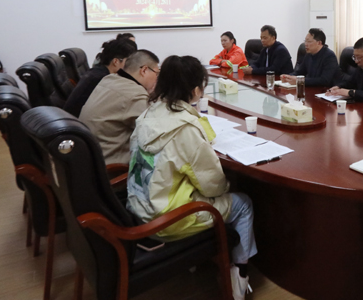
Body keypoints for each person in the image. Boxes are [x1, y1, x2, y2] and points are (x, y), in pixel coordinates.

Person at [127, 55, 257, 300]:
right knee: (243, 204)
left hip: (138, 207)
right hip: (168, 220)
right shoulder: (184, 127)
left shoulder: (149, 113)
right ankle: (239, 277)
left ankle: (199, 260)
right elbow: (213, 186)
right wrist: (229, 184)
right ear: (197, 90)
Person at [79, 50, 160, 166]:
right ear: (144, 70)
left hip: (89, 158)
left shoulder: (109, 79)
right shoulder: (134, 94)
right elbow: (156, 131)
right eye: (156, 73)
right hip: (111, 166)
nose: (157, 79)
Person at [64, 38, 137, 117]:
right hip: (77, 122)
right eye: (128, 61)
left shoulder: (97, 71)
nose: (130, 65)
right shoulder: (103, 79)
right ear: (116, 61)